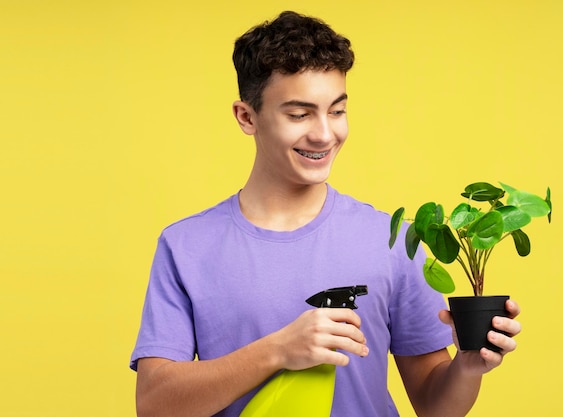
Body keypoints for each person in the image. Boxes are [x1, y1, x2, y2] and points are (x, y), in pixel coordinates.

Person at [130, 10, 522, 417]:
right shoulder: (186, 246)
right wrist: (279, 350)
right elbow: (155, 405)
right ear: (247, 117)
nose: (324, 134)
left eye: (336, 110)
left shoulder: (393, 241)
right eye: (299, 114)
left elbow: (436, 407)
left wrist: (467, 367)